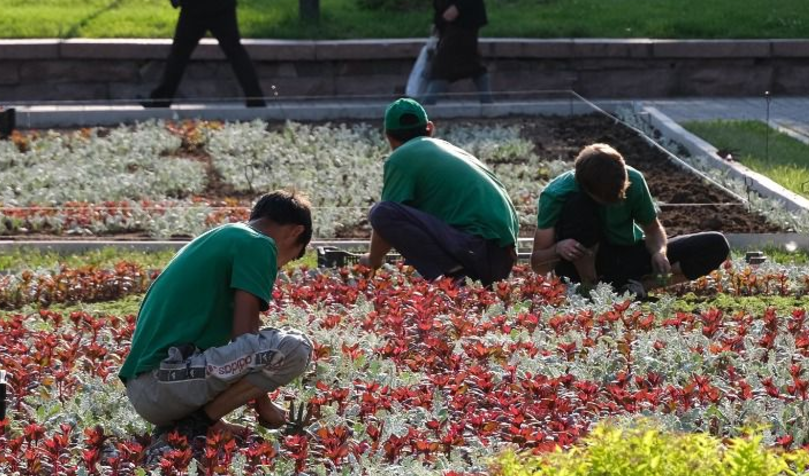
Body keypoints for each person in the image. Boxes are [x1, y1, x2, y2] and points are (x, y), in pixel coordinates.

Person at [118, 191, 315, 446]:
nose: (278, 268)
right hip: (162, 385)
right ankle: (199, 422)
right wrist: (264, 405)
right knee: (294, 348)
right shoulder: (258, 244)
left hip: (149, 388)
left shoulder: (223, 236)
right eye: (290, 258)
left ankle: (197, 423)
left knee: (263, 347)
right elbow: (246, 336)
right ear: (295, 232)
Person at [531, 143, 731, 296]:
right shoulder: (557, 194)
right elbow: (538, 265)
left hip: (624, 257)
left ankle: (635, 289)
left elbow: (652, 230)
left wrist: (660, 252)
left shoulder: (632, 180)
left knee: (715, 244)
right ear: (586, 186)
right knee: (578, 206)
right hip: (576, 266)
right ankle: (590, 287)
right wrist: (558, 248)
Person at [362, 98, 518, 285]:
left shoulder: (401, 157)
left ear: (387, 136)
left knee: (382, 212)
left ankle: (454, 277)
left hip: (477, 252)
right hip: (501, 259)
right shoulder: (450, 150)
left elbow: (385, 225)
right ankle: (457, 274)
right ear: (429, 128)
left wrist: (373, 260)